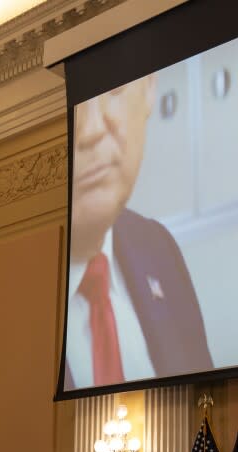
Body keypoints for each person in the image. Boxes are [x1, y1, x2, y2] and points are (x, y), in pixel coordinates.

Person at [65, 74, 212, 390]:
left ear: (149, 88)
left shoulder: (158, 248)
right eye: (72, 106)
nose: (89, 130)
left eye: (114, 86)